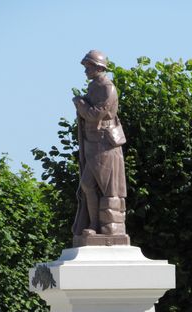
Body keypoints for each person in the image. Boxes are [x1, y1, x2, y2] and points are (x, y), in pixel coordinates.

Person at [72, 50, 127, 240]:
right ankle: (93, 223)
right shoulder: (94, 86)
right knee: (87, 184)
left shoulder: (107, 88)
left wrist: (80, 104)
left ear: (99, 67)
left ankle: (98, 225)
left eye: (88, 66)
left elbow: (95, 115)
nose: (86, 70)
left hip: (104, 143)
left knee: (104, 187)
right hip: (92, 142)